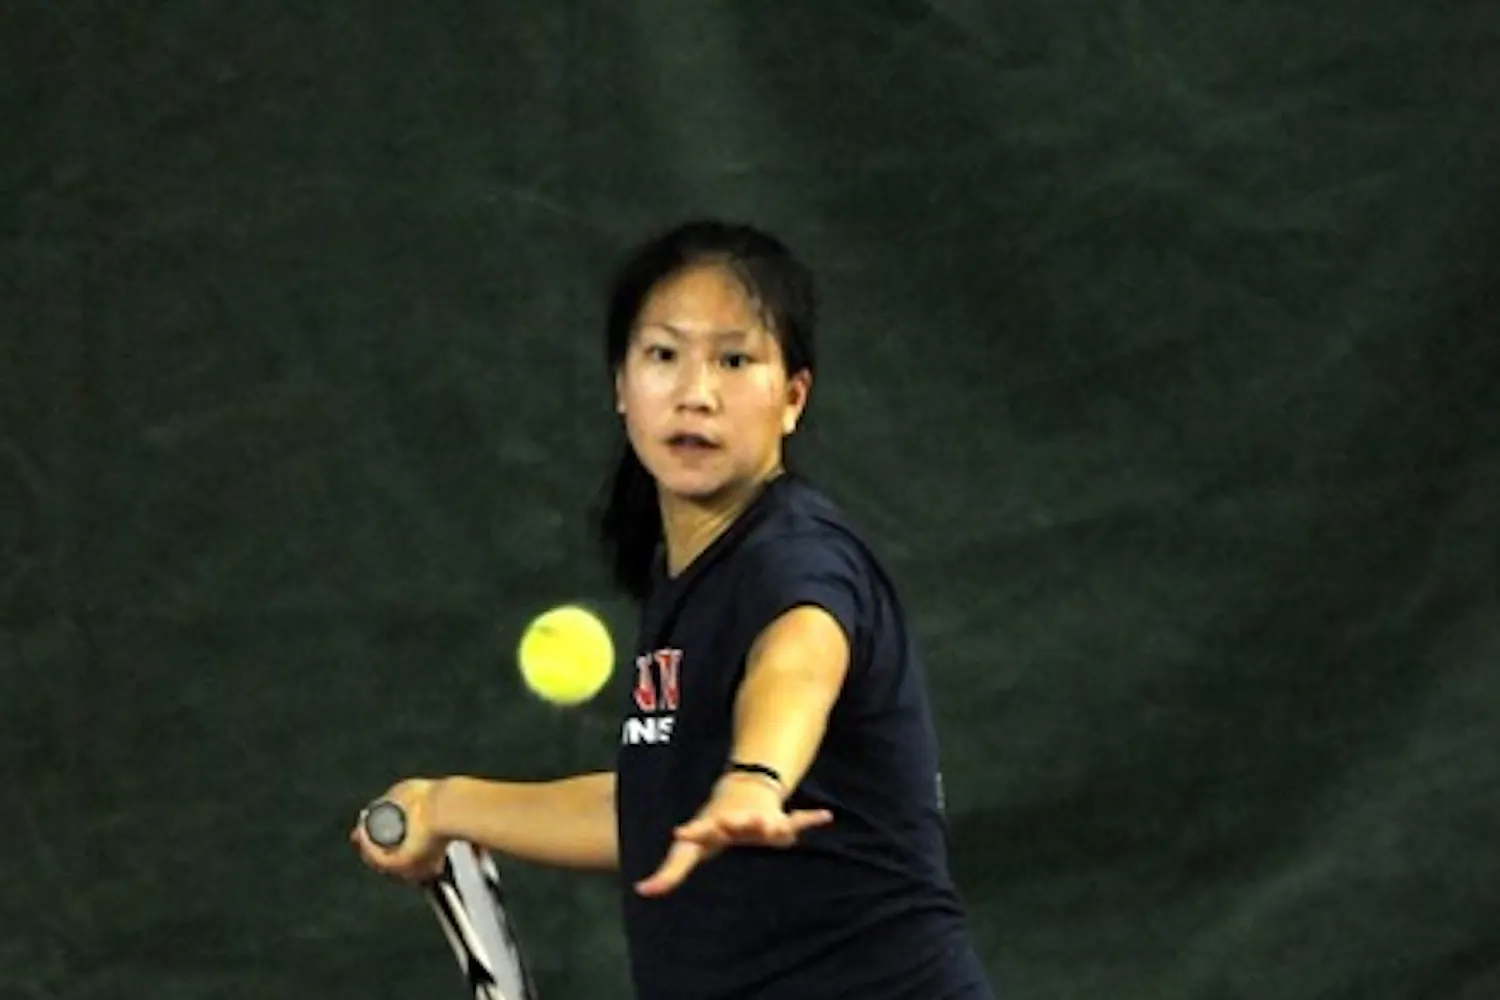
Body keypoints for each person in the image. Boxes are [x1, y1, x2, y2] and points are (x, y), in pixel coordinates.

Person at [351, 219, 996, 998]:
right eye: (663, 355)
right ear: (621, 388)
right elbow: (652, 809)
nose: (696, 394)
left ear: (793, 398)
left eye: (734, 359)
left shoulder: (796, 555)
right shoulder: (687, 580)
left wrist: (756, 778)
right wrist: (447, 805)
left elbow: (798, 663)